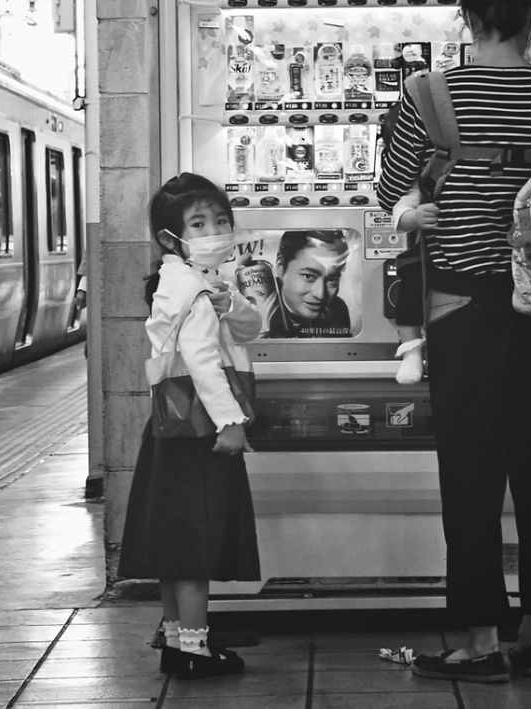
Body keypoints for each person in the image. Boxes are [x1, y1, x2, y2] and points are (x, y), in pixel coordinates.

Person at [377, 0, 531, 684]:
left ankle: (479, 639)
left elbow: (393, 190)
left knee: (471, 473)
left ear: (466, 19)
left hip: (460, 308)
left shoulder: (426, 94)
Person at [117, 172, 262, 680]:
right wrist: (230, 423)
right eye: (199, 223)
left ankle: (179, 641)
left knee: (173, 543)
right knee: (196, 541)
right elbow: (203, 361)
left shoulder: (187, 280)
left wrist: (233, 303)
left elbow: (248, 329)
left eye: (221, 220)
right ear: (169, 238)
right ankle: (196, 651)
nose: (215, 230)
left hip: (169, 431)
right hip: (200, 431)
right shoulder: (193, 288)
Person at [391, 183, 439, 384]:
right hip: (433, 252)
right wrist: (416, 217)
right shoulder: (433, 174)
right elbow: (401, 210)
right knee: (412, 272)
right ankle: (411, 350)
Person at [265, 229, 352, 337]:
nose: (320, 295)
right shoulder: (259, 308)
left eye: (332, 279)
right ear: (281, 268)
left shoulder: (337, 309)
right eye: (308, 276)